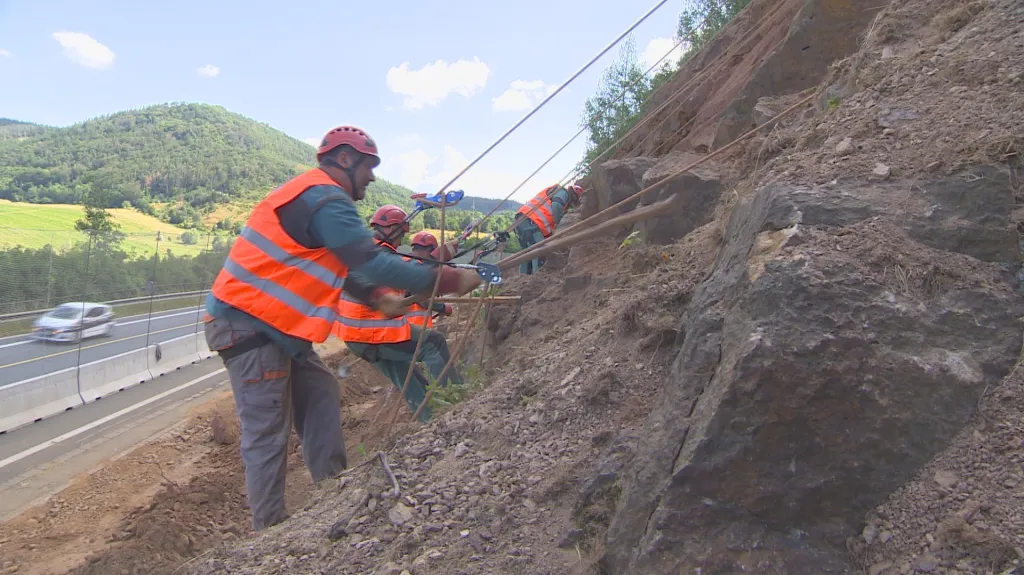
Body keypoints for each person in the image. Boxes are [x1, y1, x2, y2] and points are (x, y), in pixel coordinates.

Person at [202, 125, 482, 532]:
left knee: (321, 391)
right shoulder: (324, 198)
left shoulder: (318, 198)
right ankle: (271, 534)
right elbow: (369, 259)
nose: (372, 177)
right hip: (248, 327)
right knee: (267, 430)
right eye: (369, 166)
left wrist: (375, 298)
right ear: (346, 160)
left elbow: (344, 264)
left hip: (274, 329)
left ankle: (333, 492)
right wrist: (451, 280)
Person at [335, 207, 465, 424]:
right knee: (433, 343)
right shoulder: (380, 254)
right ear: (393, 229)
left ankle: (432, 421)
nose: (402, 239)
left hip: (355, 336)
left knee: (407, 377)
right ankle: (459, 403)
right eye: (402, 233)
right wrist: (440, 262)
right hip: (372, 332)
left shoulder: (364, 250)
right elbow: (407, 271)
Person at [513, 183, 583, 275]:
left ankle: (522, 280)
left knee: (527, 254)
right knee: (540, 251)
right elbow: (557, 205)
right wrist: (559, 223)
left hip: (524, 220)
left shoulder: (558, 193)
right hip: (531, 221)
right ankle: (535, 280)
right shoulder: (563, 192)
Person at [406, 231, 453, 330]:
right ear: (430, 250)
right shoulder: (419, 269)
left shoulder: (405, 262)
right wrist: (443, 308)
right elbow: (421, 298)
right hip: (414, 328)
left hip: (403, 328)